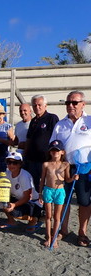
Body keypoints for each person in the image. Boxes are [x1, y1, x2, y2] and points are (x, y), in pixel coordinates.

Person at [50, 90, 91, 247]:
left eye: (74, 102)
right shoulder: (60, 124)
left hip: (85, 169)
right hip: (64, 167)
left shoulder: (90, 121)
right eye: (68, 103)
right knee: (62, 199)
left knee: (84, 201)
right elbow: (51, 145)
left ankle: (82, 233)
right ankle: (63, 230)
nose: (70, 106)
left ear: (83, 104)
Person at [39, 140, 79, 248]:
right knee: (48, 216)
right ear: (49, 152)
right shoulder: (46, 164)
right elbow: (42, 180)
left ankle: (55, 237)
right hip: (48, 190)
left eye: (57, 150)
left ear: (62, 152)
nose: (54, 152)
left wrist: (73, 178)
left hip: (60, 191)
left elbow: (67, 179)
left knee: (57, 217)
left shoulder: (65, 164)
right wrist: (40, 193)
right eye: (52, 150)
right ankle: (48, 237)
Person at [0, 151, 43, 233]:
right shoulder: (7, 173)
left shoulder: (24, 176)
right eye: (9, 162)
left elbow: (27, 197)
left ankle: (34, 218)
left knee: (13, 211)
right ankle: (11, 221)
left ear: (20, 164)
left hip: (32, 202)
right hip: (18, 198)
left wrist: (14, 205)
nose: (11, 165)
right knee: (1, 199)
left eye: (15, 163)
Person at [25, 95, 59, 191]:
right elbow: (28, 139)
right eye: (35, 105)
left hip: (46, 159)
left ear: (45, 105)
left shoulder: (51, 118)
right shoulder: (33, 121)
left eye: (39, 105)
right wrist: (25, 155)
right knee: (34, 185)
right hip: (32, 160)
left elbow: (57, 138)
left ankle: (46, 206)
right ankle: (36, 204)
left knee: (48, 186)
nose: (37, 107)